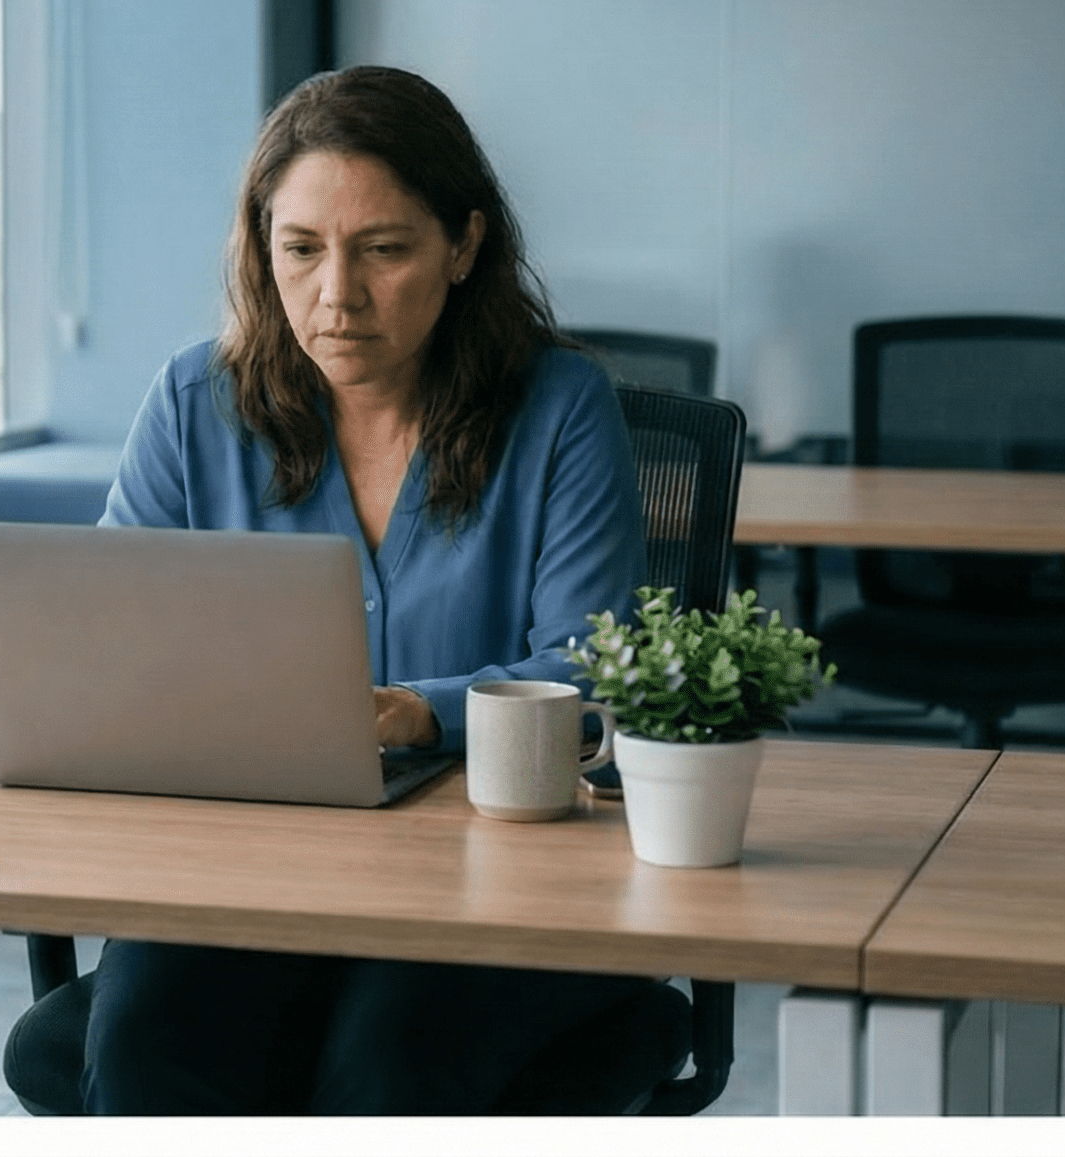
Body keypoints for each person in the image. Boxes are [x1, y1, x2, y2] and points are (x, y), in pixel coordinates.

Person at [85, 64, 658, 1114]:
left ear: (464, 245)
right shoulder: (192, 403)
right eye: (300, 249)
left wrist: (413, 712)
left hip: (496, 876)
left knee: (384, 1065)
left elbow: (587, 667)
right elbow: (109, 639)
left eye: (384, 249)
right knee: (142, 1049)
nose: (335, 296)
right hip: (254, 869)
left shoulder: (560, 406)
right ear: (263, 247)